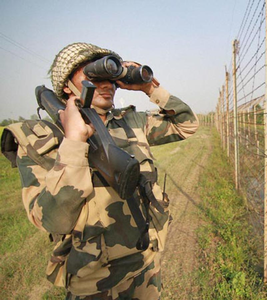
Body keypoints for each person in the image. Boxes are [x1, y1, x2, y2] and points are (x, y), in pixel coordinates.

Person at [2, 42, 198, 299]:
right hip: (94, 283)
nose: (106, 84)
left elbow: (187, 125)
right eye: (93, 75)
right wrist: (73, 143)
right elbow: (53, 219)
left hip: (145, 266)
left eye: (111, 77)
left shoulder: (131, 122)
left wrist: (149, 87)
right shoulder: (40, 139)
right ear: (66, 84)